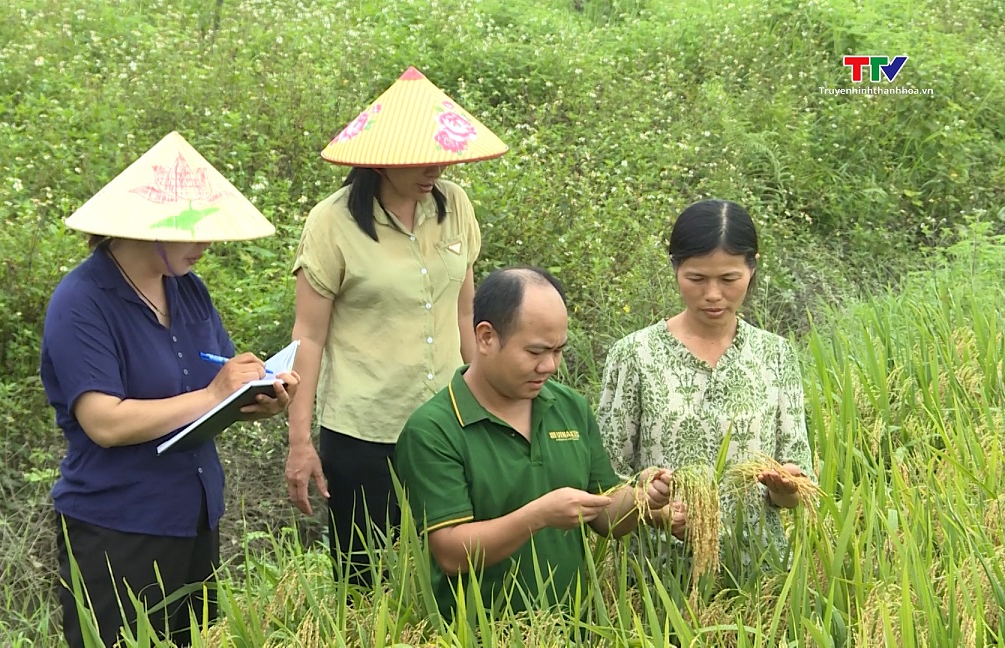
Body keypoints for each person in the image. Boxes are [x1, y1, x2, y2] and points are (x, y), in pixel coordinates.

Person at [40, 132, 299, 647]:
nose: (206, 244)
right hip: (118, 524)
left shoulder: (188, 289)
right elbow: (104, 422)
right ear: (147, 227)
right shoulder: (82, 301)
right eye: (194, 232)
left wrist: (256, 397)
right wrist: (212, 395)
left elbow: (216, 384)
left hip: (194, 514)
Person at [284, 66, 509, 586]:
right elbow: (308, 337)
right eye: (419, 159)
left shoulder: (456, 207)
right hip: (366, 432)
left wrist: (490, 407)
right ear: (380, 158)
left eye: (442, 156)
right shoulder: (332, 222)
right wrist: (300, 442)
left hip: (449, 423)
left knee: (454, 571)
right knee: (367, 579)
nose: (434, 169)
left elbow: (465, 314)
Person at [394, 267, 674, 621]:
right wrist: (539, 516)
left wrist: (642, 499)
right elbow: (450, 552)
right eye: (535, 352)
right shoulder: (434, 429)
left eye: (558, 350)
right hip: (477, 631)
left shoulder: (569, 407)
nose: (550, 366)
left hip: (570, 630)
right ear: (485, 337)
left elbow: (606, 517)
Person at [596, 199, 815, 586]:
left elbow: (797, 482)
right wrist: (655, 508)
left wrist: (786, 487)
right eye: (696, 278)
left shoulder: (775, 355)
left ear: (752, 268)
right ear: (675, 268)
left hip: (758, 578)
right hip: (654, 578)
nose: (713, 294)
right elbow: (606, 481)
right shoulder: (634, 355)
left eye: (729, 279)